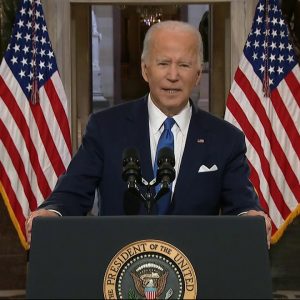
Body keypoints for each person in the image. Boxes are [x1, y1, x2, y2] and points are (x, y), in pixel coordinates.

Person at [25, 20, 272, 247]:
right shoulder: (105, 127)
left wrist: (251, 217)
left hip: (195, 270)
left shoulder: (225, 138)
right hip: (118, 267)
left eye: (184, 65)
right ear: (145, 70)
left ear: (197, 75)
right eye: (163, 63)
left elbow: (241, 204)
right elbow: (73, 192)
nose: (173, 76)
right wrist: (51, 212)